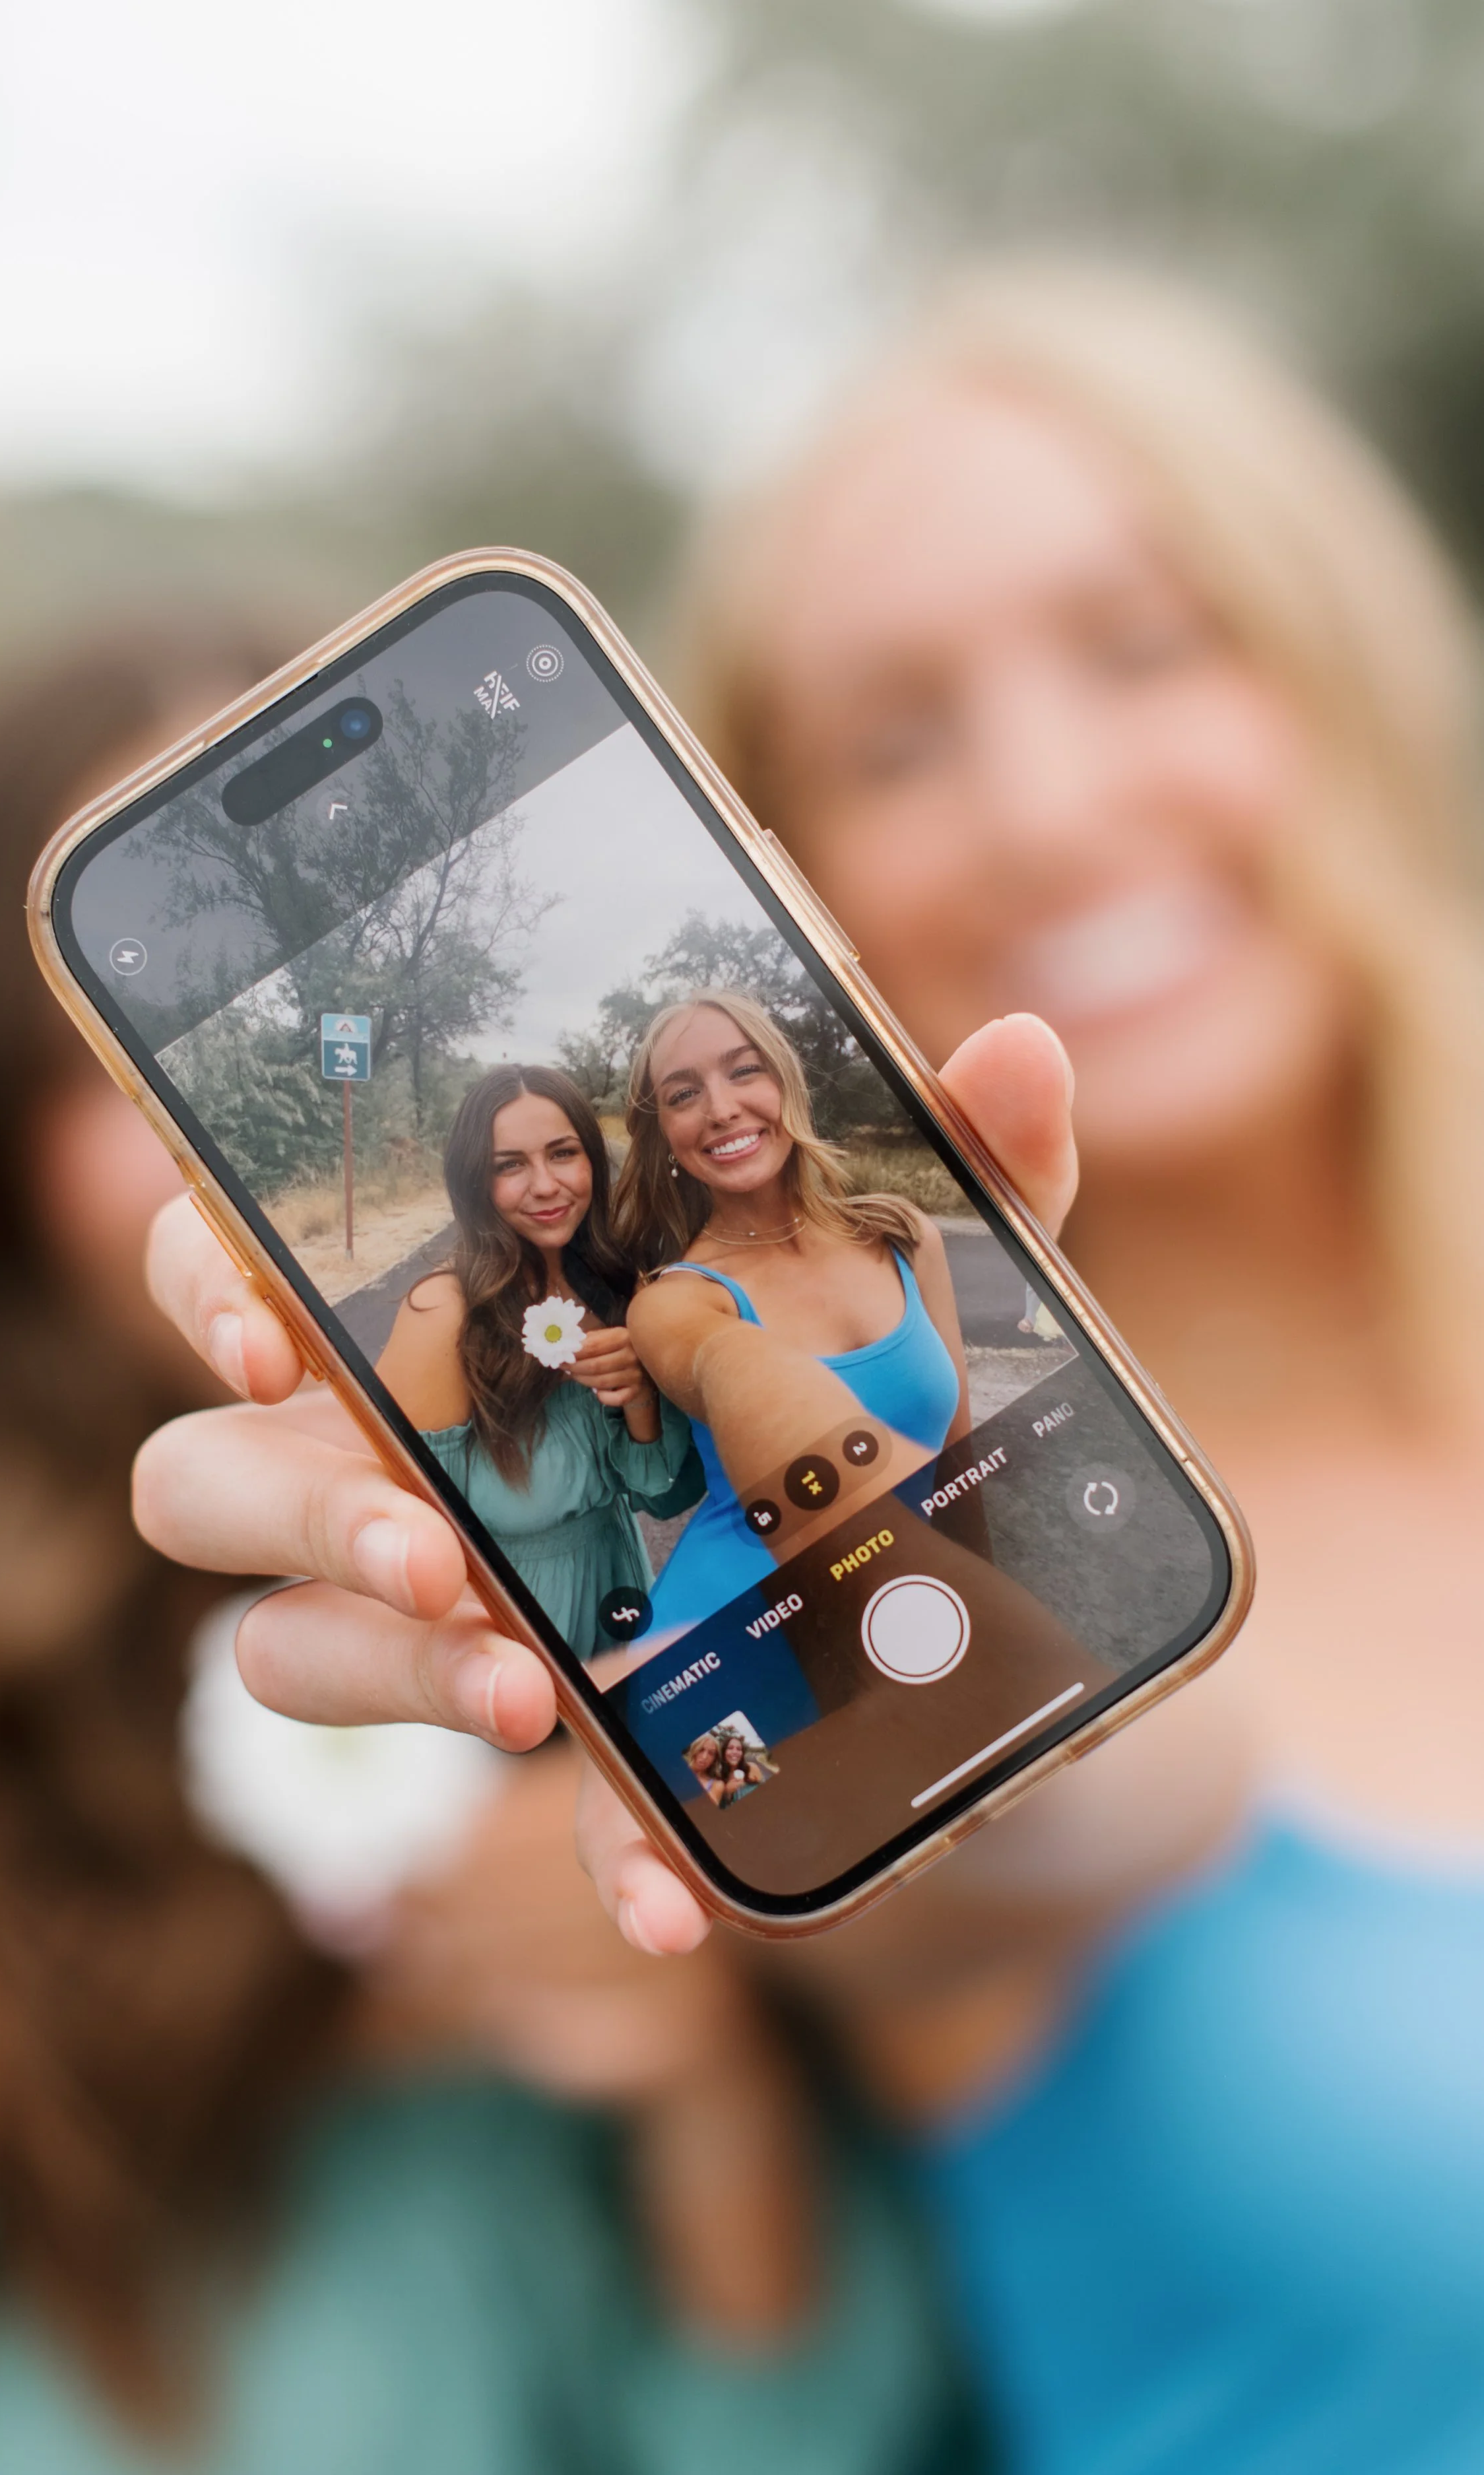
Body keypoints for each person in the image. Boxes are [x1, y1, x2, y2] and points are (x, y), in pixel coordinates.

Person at [0, 640, 959, 2475]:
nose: (215, 1120)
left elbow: (828, 2423)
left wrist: (701, 2080)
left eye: (321, 1011)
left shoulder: (650, 1505)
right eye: (131, 1049)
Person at [666, 261, 1484, 2474]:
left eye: (1144, 646)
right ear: (786, 905)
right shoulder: (891, 1516)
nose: (1042, 805)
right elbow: (1028, 1827)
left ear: (1342, 677)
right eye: (895, 742)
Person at [614, 990, 967, 1633]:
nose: (720, 1109)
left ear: (787, 1084)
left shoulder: (905, 1237)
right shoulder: (673, 1300)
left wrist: (981, 1602)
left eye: (744, 1070)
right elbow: (726, 1366)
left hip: (912, 1611)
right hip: (733, 1646)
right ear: (663, 1134)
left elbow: (963, 1468)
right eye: (683, 1094)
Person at [377, 1063, 701, 1659]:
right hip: (518, 1627)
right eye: (510, 1165)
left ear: (592, 1164)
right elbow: (401, 1528)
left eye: (563, 1154)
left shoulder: (620, 1285)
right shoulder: (445, 1312)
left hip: (624, 1594)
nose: (546, 1185)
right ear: (476, 1181)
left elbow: (664, 1498)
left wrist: (640, 1397)